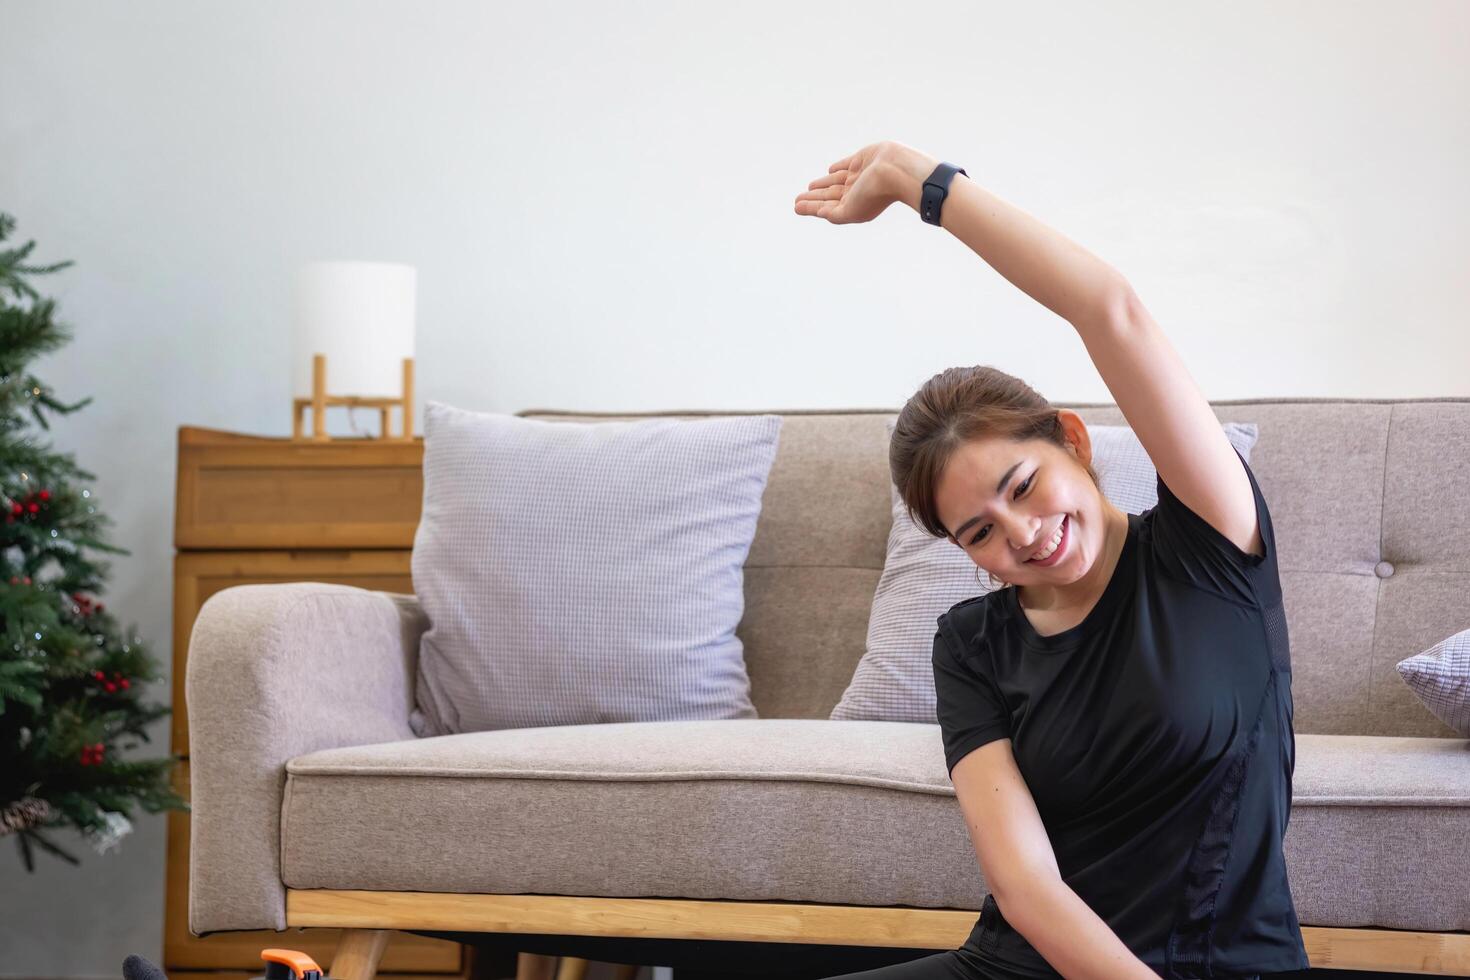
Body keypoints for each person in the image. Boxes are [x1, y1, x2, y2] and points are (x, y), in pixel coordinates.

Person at [793, 142, 1310, 980]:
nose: (1023, 536)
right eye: (979, 534)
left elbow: (1110, 308)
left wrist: (916, 182)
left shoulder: (1210, 543)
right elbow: (1027, 887)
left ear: (1071, 439)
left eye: (1023, 486)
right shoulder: (971, 642)